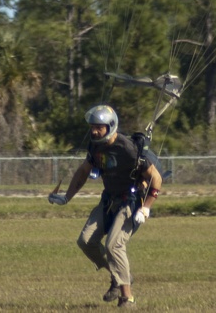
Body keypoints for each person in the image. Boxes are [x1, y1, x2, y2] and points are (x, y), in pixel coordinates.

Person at [48, 105, 162, 308]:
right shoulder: (95, 146)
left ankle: (127, 298)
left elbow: (156, 178)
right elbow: (83, 172)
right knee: (86, 241)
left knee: (114, 245)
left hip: (130, 202)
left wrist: (146, 207)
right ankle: (119, 277)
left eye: (98, 127)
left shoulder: (127, 149)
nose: (93, 131)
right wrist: (67, 197)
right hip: (108, 200)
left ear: (110, 126)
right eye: (92, 127)